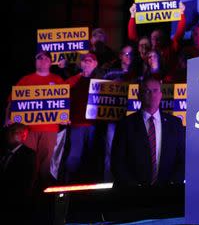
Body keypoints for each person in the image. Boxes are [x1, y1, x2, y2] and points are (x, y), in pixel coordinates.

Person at [111, 77, 185, 186]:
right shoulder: (125, 124)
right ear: (139, 95)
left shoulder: (175, 123)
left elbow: (183, 159)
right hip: (133, 194)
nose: (152, 95)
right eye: (147, 91)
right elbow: (117, 162)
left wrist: (173, 183)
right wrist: (134, 187)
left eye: (155, 90)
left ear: (161, 95)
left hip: (167, 193)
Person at [8, 51, 65, 190]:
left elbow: (64, 103)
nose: (43, 60)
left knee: (45, 166)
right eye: (39, 58)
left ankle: (43, 198)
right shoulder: (26, 80)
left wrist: (65, 117)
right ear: (35, 61)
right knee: (30, 164)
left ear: (51, 62)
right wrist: (8, 118)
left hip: (50, 129)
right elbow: (12, 101)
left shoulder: (58, 80)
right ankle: (27, 195)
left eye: (46, 58)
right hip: (29, 130)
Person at [62, 52, 105, 182]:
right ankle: (68, 183)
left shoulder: (102, 81)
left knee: (93, 156)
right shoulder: (72, 81)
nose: (87, 62)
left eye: (90, 60)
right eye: (84, 60)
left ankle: (92, 182)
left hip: (95, 125)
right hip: (77, 124)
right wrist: (64, 115)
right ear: (80, 64)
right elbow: (62, 99)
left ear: (96, 64)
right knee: (74, 156)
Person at [1, 124, 36, 218]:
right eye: (9, 131)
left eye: (13, 132)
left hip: (15, 203)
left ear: (23, 136)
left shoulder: (28, 154)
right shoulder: (4, 151)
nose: (9, 135)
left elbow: (26, 181)